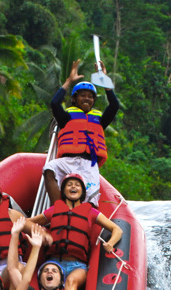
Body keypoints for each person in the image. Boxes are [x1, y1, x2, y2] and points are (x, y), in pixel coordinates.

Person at [43, 59, 120, 206]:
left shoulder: (99, 120)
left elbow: (114, 106)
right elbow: (54, 103)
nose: (87, 98)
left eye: (90, 96)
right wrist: (69, 81)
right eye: (82, 95)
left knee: (91, 200)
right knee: (49, 168)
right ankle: (57, 208)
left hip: (89, 164)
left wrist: (106, 84)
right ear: (74, 99)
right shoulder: (66, 117)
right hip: (68, 161)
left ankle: (84, 219)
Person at [28, 172, 122, 290]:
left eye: (77, 185)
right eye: (69, 185)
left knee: (71, 281)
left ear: (82, 192)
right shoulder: (54, 210)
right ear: (64, 191)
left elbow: (117, 229)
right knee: (52, 282)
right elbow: (27, 222)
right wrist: (42, 234)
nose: (73, 187)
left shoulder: (91, 212)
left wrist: (111, 243)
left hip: (78, 266)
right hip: (54, 262)